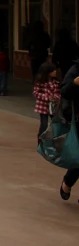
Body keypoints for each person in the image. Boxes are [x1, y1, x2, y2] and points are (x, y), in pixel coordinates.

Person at [58, 58, 79, 203]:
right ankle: (68, 181)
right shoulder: (76, 70)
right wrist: (75, 83)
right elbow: (64, 91)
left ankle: (68, 181)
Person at [33, 62, 61, 140]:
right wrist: (46, 97)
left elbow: (59, 92)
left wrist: (56, 97)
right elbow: (35, 93)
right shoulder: (40, 82)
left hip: (53, 106)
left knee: (55, 123)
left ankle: (55, 138)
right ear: (47, 72)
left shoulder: (56, 82)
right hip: (43, 106)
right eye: (53, 71)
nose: (55, 72)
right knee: (44, 124)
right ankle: (41, 139)